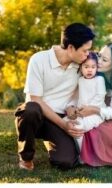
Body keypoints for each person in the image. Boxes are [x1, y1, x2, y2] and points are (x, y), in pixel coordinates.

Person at [14, 23, 95, 171]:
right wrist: (64, 126)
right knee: (30, 110)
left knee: (66, 162)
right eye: (85, 50)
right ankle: (26, 158)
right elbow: (36, 99)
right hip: (36, 115)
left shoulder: (82, 66)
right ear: (70, 47)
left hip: (58, 119)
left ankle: (51, 142)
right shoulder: (39, 59)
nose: (87, 54)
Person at [65, 52, 106, 146]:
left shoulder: (99, 80)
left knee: (78, 127)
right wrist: (73, 108)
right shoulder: (80, 80)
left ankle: (81, 154)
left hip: (96, 113)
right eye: (86, 67)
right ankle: (69, 146)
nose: (89, 70)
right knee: (65, 121)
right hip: (81, 112)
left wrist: (87, 109)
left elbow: (100, 96)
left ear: (97, 68)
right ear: (81, 67)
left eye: (93, 67)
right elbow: (77, 97)